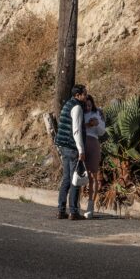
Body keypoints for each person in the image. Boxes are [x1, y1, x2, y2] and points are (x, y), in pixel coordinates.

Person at [55, 84, 88, 220]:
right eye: (84, 94)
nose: (86, 96)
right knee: (75, 179)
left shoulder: (67, 104)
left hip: (63, 146)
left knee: (67, 179)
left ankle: (61, 210)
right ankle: (74, 212)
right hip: (72, 147)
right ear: (77, 95)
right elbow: (76, 130)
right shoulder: (77, 107)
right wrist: (81, 149)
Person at [82, 94, 106, 219]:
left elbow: (102, 131)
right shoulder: (79, 113)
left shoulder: (97, 113)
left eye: (90, 105)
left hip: (93, 142)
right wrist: (87, 125)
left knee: (93, 175)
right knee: (79, 173)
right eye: (86, 105)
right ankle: (74, 204)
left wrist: (96, 124)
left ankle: (90, 206)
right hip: (81, 143)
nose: (88, 107)